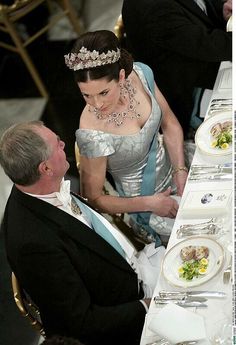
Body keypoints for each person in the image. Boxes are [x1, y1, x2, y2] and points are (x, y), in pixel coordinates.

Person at [0, 120, 166, 345]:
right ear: (45, 169)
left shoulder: (40, 187)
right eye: (57, 145)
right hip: (124, 317)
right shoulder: (32, 245)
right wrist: (146, 305)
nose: (63, 144)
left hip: (135, 271)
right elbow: (81, 323)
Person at [64, 30, 188, 245]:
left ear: (121, 76)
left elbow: (170, 124)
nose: (97, 104)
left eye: (103, 92)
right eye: (86, 95)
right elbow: (94, 199)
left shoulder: (140, 74)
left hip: (178, 163)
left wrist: (180, 169)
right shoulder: (91, 131)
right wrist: (151, 203)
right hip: (148, 204)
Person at [122, 0, 232, 136]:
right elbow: (205, 44)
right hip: (187, 93)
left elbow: (199, 8)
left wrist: (221, 10)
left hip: (206, 64)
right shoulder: (154, 7)